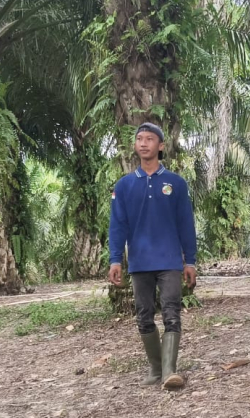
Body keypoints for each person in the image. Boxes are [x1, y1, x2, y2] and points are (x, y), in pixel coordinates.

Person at [108, 122, 197, 390]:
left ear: (161, 146)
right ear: (135, 146)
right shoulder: (123, 186)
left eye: (150, 139)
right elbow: (118, 225)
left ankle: (170, 370)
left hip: (169, 260)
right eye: (139, 139)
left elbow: (186, 223)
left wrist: (189, 260)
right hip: (139, 262)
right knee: (144, 315)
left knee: (171, 313)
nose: (144, 143)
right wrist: (115, 259)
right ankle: (156, 368)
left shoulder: (175, 183)